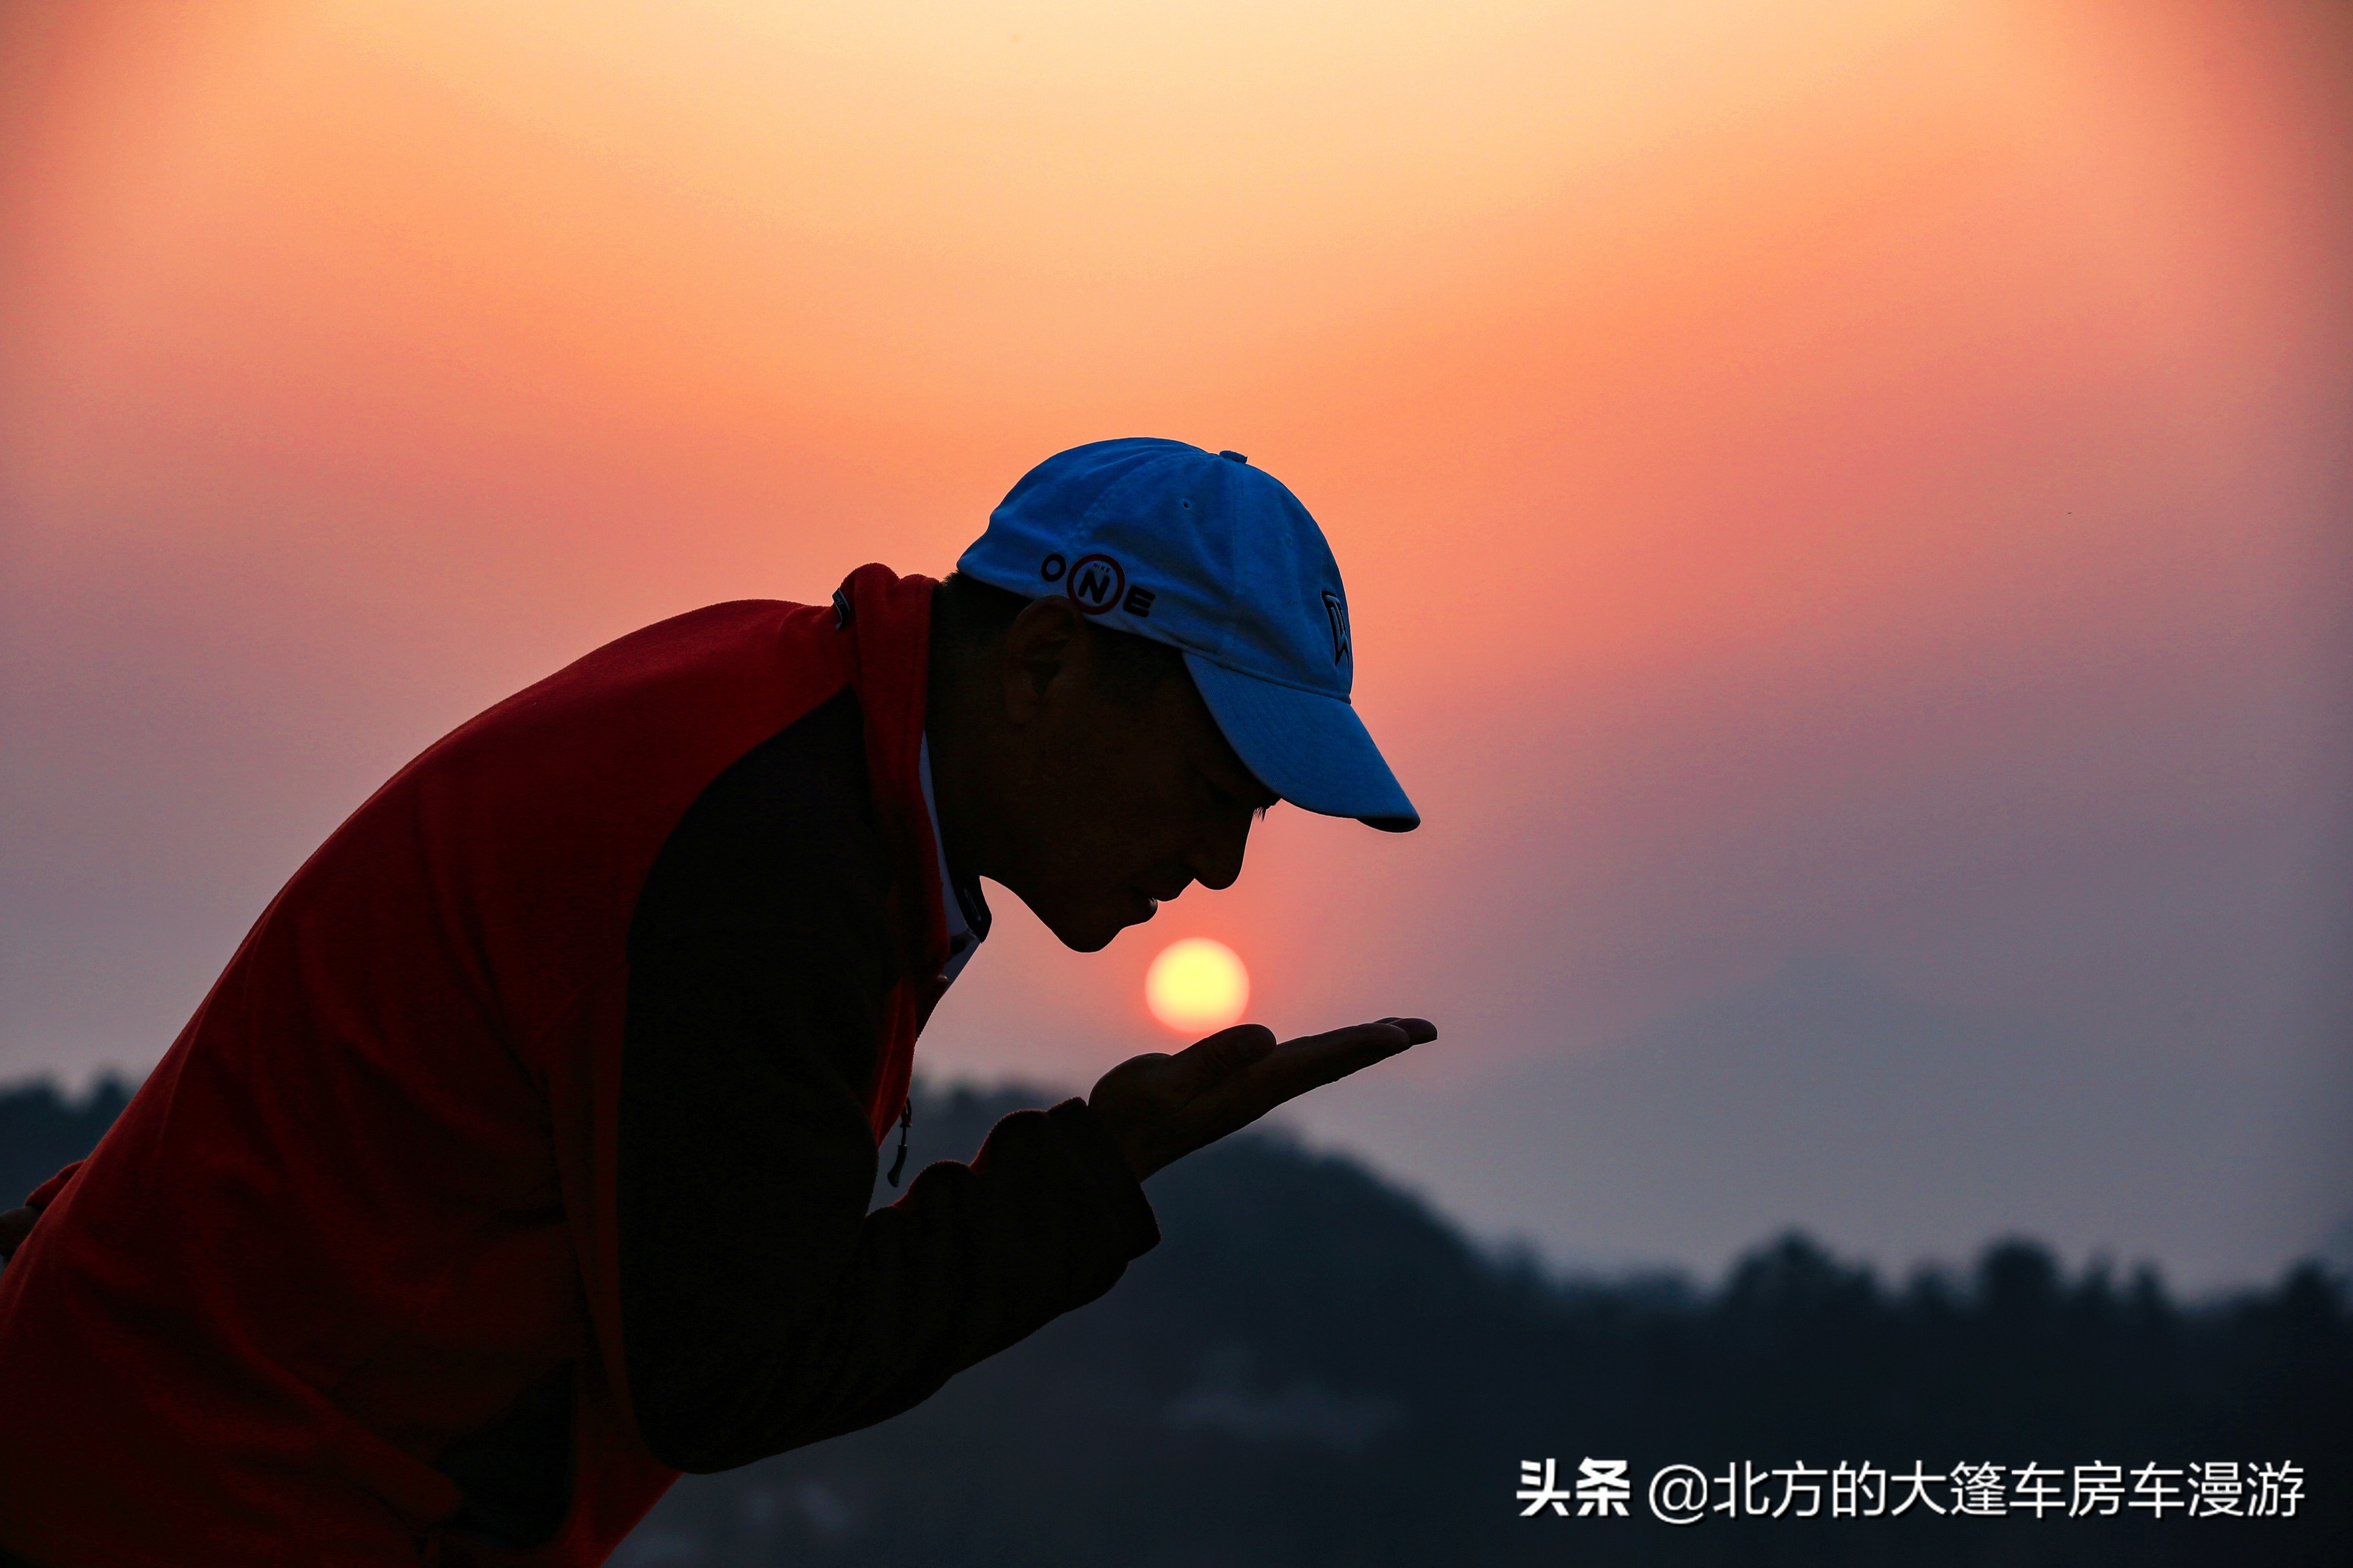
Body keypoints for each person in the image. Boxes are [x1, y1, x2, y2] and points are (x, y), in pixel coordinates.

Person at [0, 438, 1431, 1566]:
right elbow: (730, 1371)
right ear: (1049, 660)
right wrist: (1097, 1172)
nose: (1222, 860)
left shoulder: (791, 727)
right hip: (191, 1498)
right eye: (1211, 783)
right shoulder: (774, 855)